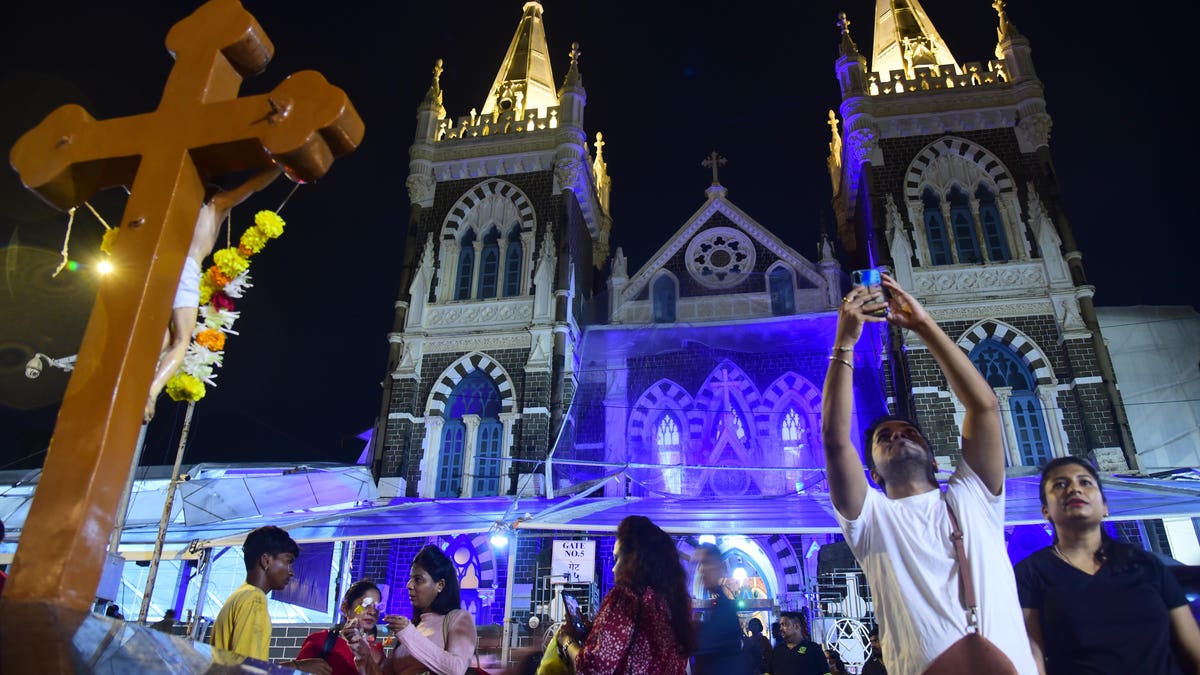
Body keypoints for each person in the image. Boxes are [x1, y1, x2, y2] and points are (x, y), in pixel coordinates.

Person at [821, 273, 1038, 675]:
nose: (897, 437)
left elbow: (984, 407)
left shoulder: (972, 496)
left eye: (909, 433)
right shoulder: (870, 519)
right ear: (872, 473)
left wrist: (924, 326)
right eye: (884, 436)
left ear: (937, 461)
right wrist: (844, 345)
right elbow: (835, 440)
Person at [1015, 456, 1200, 674]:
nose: (1074, 489)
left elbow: (1192, 649)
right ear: (1046, 511)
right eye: (1060, 484)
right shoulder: (1030, 573)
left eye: (1085, 482)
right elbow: (1033, 656)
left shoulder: (1145, 564)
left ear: (1104, 506)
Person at [144, 166, 282, 421]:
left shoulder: (177, 202)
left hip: (156, 266)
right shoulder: (216, 203)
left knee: (162, 336)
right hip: (186, 268)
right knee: (181, 340)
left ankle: (142, 380)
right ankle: (150, 392)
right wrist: (279, 166)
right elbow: (252, 186)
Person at [555, 515, 695, 675]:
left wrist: (566, 641)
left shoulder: (625, 599)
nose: (614, 569)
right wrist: (592, 632)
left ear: (634, 560)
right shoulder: (676, 604)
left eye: (617, 558)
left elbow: (593, 669)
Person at [211, 525, 328, 673]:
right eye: (288, 561)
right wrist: (297, 667)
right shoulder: (254, 599)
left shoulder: (239, 596)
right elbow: (249, 670)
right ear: (266, 561)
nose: (291, 571)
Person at [357, 544, 476, 675]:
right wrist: (362, 650)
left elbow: (456, 669)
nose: (409, 585)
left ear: (440, 585)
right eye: (410, 578)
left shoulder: (458, 618)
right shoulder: (414, 626)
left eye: (418, 579)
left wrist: (408, 633)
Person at [296, 580, 386, 675]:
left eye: (377, 607)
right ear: (345, 608)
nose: (372, 612)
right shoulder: (319, 641)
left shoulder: (377, 654)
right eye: (365, 605)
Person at [690, 543, 749, 675]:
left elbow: (700, 644)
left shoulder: (726, 609)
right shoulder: (717, 606)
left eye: (707, 564)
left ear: (719, 568)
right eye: (701, 565)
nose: (702, 571)